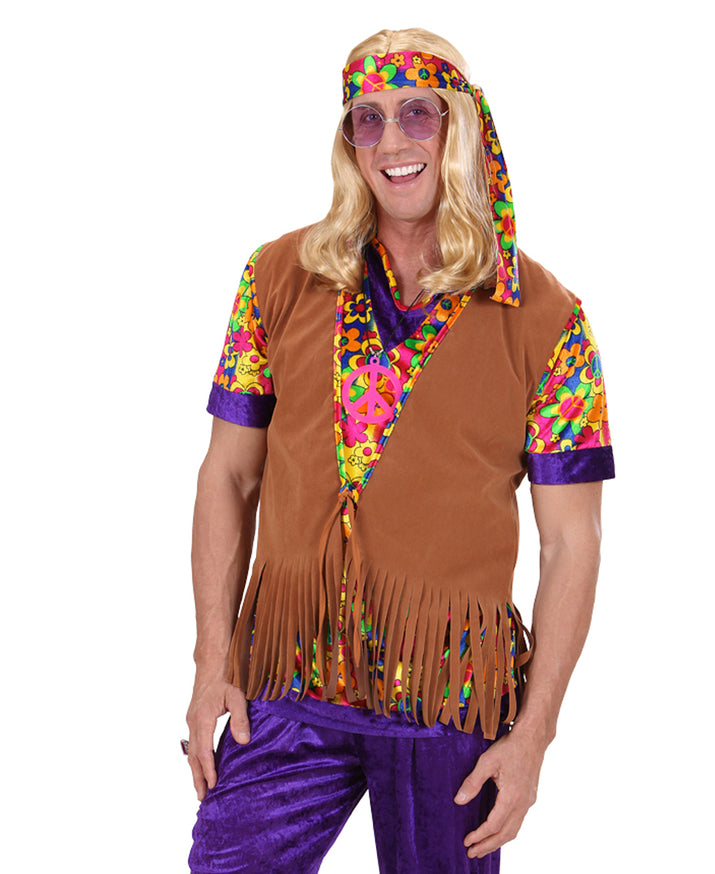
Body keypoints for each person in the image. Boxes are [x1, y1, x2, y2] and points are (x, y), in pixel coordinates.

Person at [186, 27, 614, 874]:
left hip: (447, 697)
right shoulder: (276, 276)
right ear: (349, 143)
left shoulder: (547, 317)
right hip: (288, 678)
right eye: (368, 118)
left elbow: (573, 541)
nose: (392, 142)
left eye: (418, 113)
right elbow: (228, 475)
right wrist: (209, 668)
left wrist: (534, 736)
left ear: (462, 127)